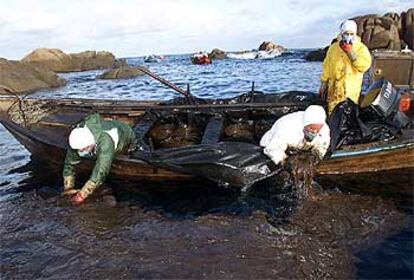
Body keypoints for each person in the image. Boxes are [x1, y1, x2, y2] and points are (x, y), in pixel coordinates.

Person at [62, 113, 136, 205]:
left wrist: (83, 194)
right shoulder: (79, 135)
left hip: (125, 135)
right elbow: (69, 163)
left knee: (109, 158)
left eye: (83, 149)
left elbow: (102, 169)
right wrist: (68, 188)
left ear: (90, 144)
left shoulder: (106, 141)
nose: (80, 151)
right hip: (103, 132)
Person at [319, 19, 372, 114]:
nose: (348, 36)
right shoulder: (333, 48)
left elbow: (363, 66)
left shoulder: (361, 48)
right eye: (346, 33)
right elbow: (326, 66)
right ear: (341, 33)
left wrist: (350, 53)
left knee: (347, 118)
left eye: (351, 34)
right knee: (332, 116)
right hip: (333, 92)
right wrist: (323, 83)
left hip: (350, 92)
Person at [260, 105, 330, 165]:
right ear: (305, 123)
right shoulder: (287, 127)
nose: (314, 132)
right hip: (271, 147)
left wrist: (316, 157)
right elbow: (273, 149)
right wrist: (284, 162)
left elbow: (322, 146)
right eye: (311, 128)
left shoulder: (324, 129)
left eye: (318, 129)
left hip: (299, 148)